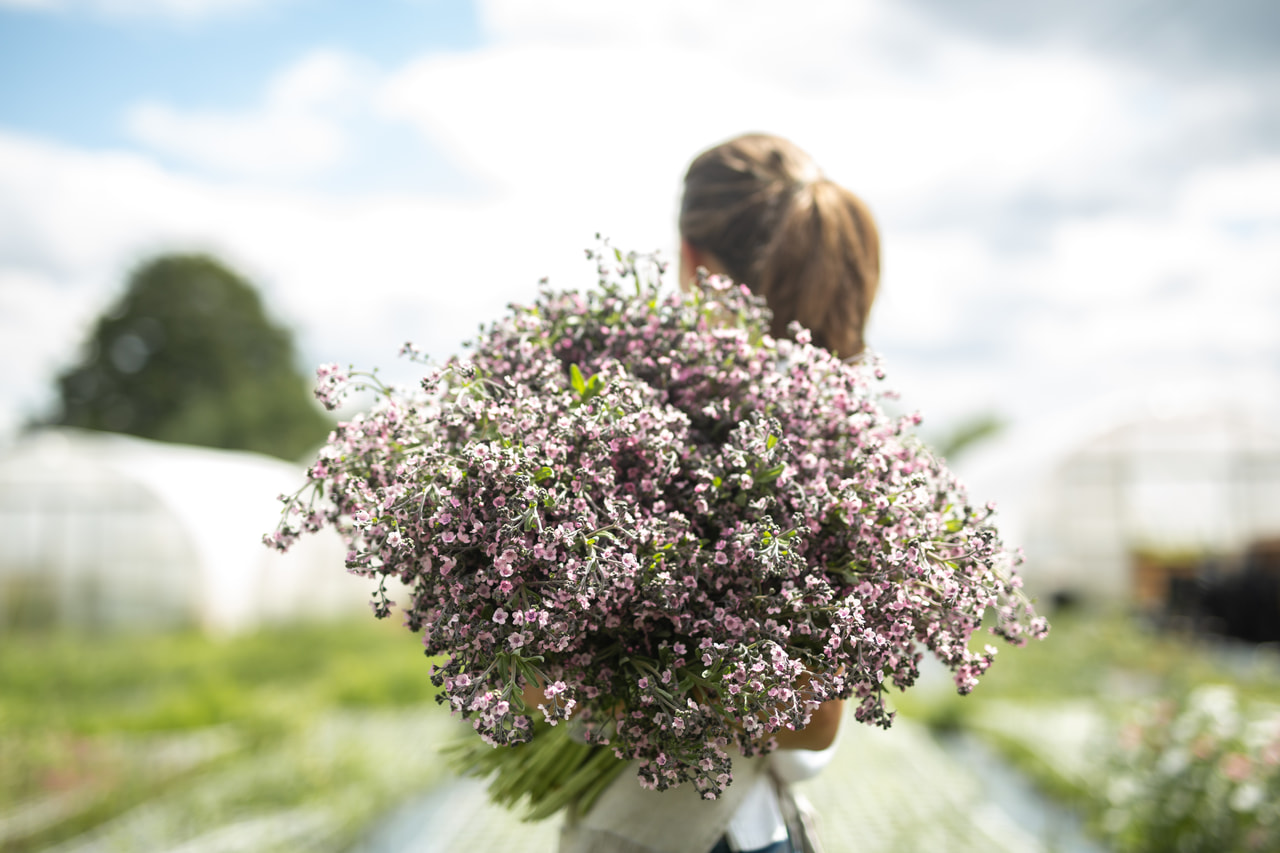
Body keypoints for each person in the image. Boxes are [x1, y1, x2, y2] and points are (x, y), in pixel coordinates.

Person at [559, 133, 882, 853]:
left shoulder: (643, 416)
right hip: (754, 829)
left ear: (691, 258)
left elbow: (811, 716)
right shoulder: (831, 427)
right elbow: (816, 724)